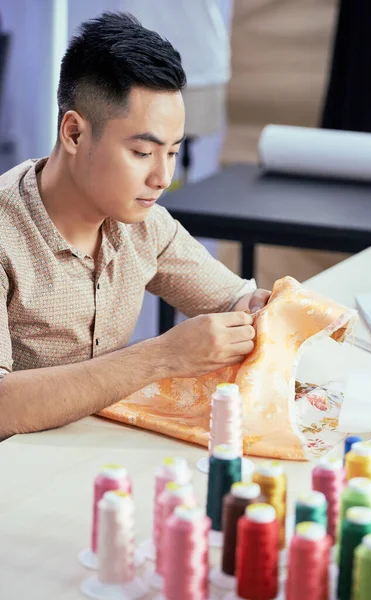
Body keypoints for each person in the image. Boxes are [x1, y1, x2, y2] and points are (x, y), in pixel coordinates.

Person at [0, 12, 270, 439]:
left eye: (173, 152)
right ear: (73, 134)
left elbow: (236, 301)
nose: (162, 177)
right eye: (143, 152)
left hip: (101, 457)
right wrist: (163, 356)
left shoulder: (144, 223)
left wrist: (277, 312)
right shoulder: (4, 235)